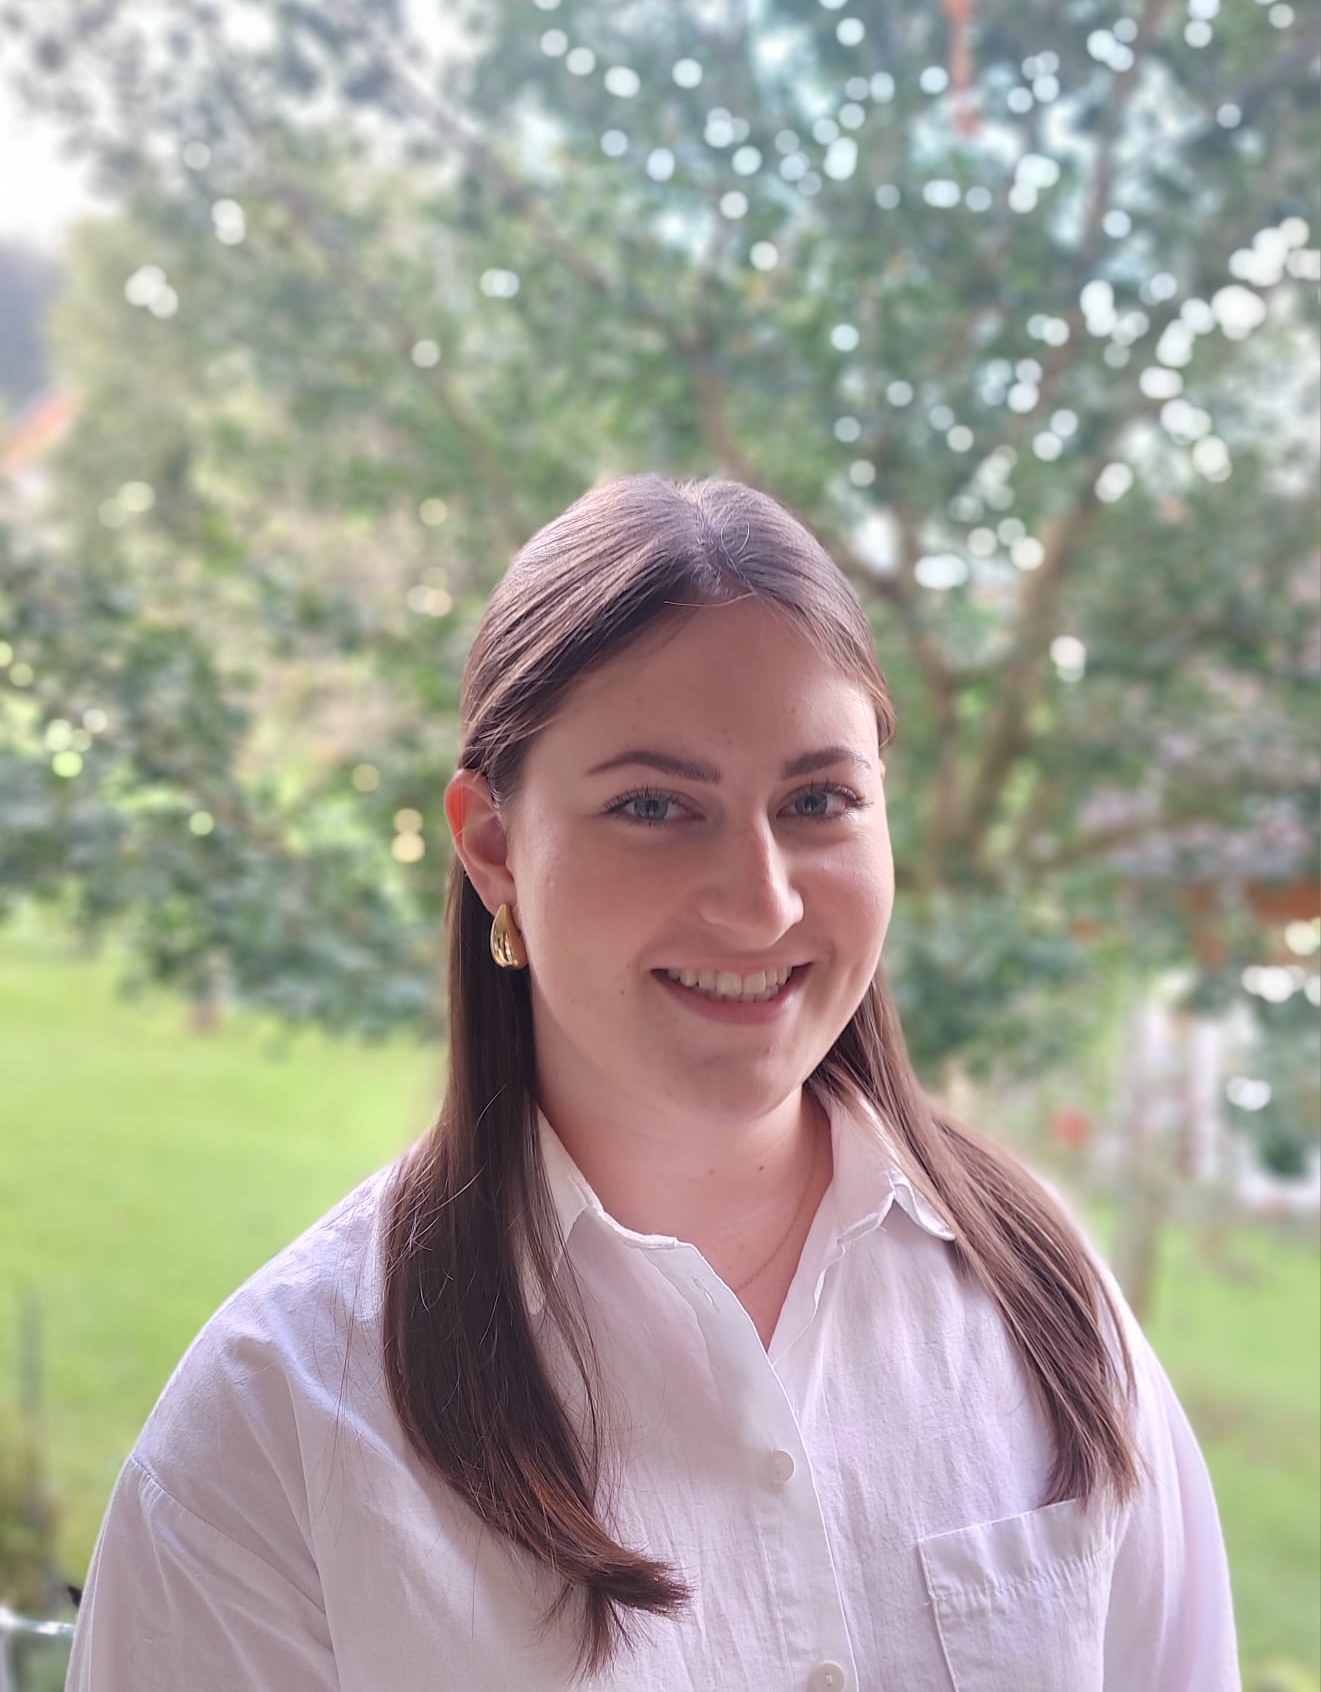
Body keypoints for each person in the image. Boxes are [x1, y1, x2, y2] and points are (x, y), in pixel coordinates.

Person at [66, 475, 1239, 1691]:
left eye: (818, 800)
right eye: (653, 805)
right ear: (492, 847)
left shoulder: (1046, 1304)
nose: (761, 902)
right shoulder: (274, 1424)